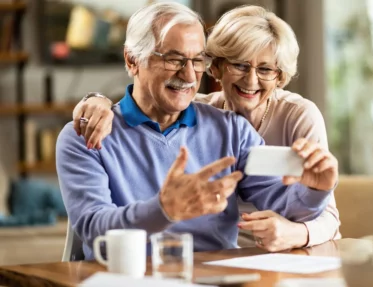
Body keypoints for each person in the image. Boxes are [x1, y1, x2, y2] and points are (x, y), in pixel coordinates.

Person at [57, 2, 338, 260]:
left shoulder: (231, 128)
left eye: (197, 61)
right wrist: (164, 209)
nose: (189, 76)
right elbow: (94, 230)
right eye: (174, 59)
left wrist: (315, 189)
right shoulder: (83, 136)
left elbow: (284, 205)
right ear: (132, 60)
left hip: (217, 277)